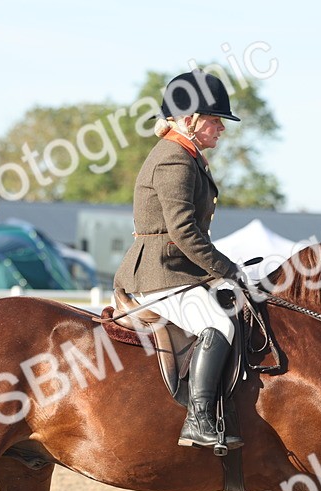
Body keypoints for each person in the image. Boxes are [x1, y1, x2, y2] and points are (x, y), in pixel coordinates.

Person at [113, 69, 244, 450]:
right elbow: (184, 232)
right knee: (219, 323)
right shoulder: (174, 158)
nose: (221, 128)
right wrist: (228, 271)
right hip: (160, 273)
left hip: (176, 270)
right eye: (215, 120)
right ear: (189, 120)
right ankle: (199, 418)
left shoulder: (188, 155)